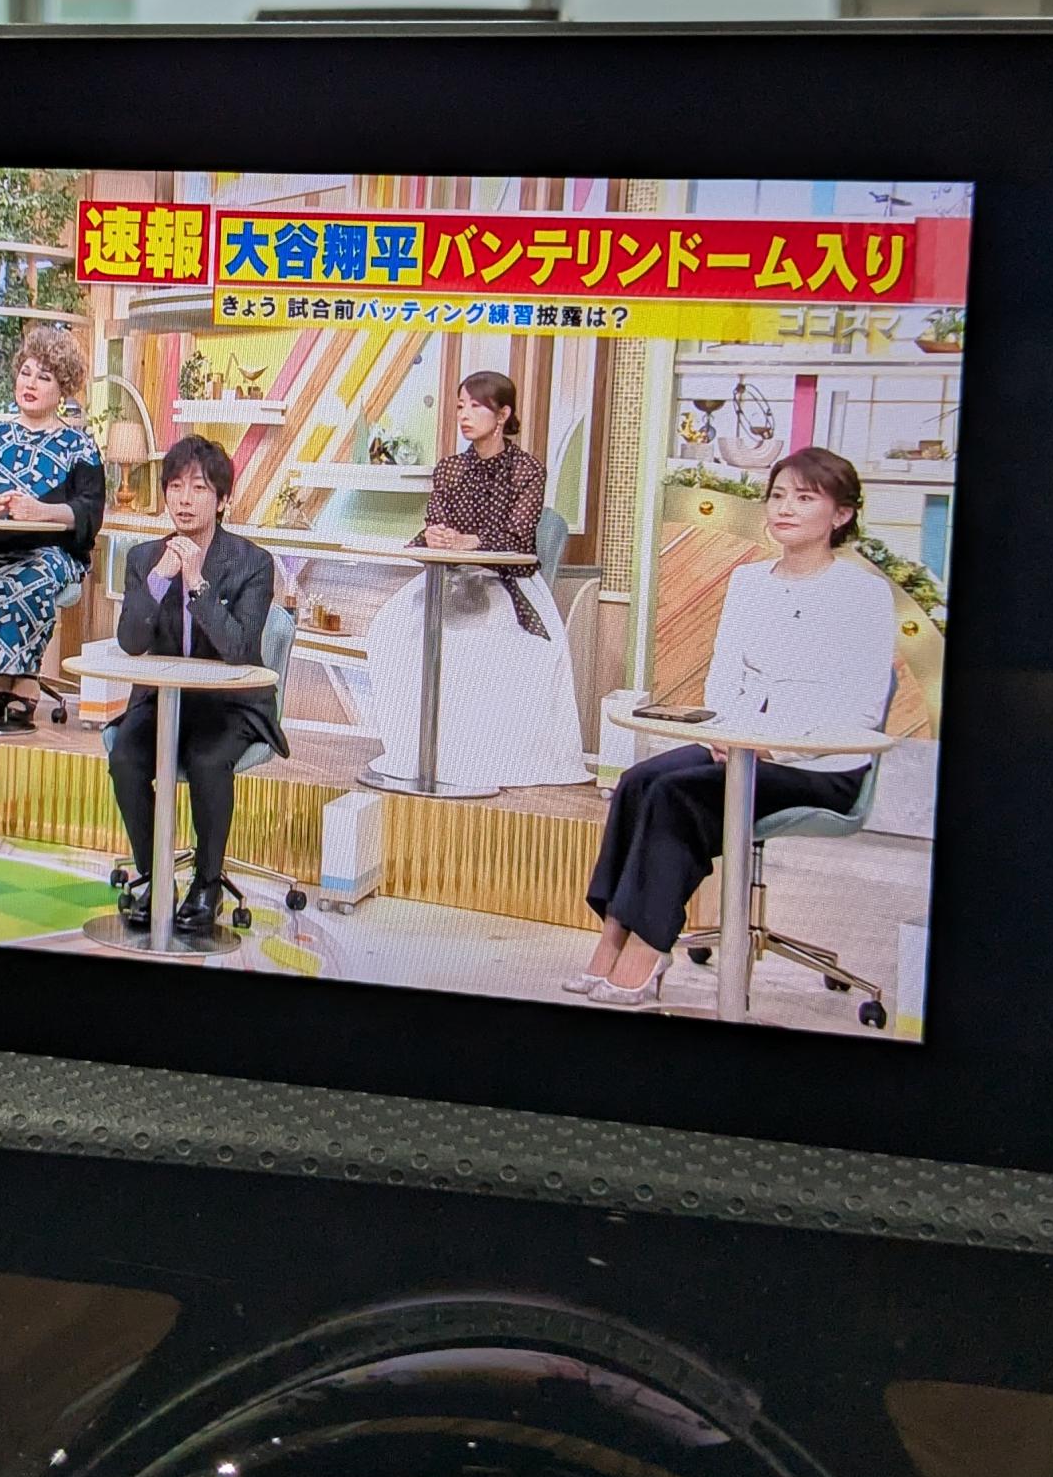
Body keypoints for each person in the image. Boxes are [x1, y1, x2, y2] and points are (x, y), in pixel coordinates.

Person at [569, 445, 896, 1006]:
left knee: (678, 795)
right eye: (778, 495)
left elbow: (860, 709)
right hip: (739, 747)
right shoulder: (749, 582)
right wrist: (725, 734)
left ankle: (647, 950)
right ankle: (612, 939)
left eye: (805, 498)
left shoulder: (862, 594)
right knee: (639, 780)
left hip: (821, 765)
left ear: (841, 514)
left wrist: (772, 748)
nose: (785, 508)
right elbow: (725, 676)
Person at [364, 371, 588, 788]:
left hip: (506, 584)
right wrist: (435, 536)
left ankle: (474, 758)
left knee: (478, 647)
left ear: (502, 414)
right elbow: (434, 523)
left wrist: (472, 541)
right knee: (389, 632)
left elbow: (520, 538)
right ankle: (418, 753)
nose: (464, 415)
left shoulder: (527, 470)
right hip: (448, 580)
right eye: (460, 406)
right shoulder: (450, 469)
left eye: (475, 406)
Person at [108, 434, 285, 934]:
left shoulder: (252, 563)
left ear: (223, 500)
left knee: (207, 760)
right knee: (125, 758)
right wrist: (161, 577)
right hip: (163, 699)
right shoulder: (144, 557)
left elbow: (240, 649)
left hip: (230, 705)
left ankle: (207, 885)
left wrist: (196, 583)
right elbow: (131, 642)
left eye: (200, 488)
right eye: (176, 487)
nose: (185, 500)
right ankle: (154, 876)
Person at [0, 326, 107, 730]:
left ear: (62, 388)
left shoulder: (79, 446)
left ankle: (22, 682)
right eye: (26, 373)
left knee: (27, 581)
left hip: (53, 553)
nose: (30, 384)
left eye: (44, 377)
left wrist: (41, 511)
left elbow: (89, 511)